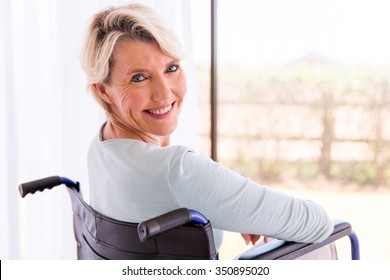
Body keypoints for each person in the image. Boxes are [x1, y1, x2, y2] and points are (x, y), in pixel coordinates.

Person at [81, 3, 333, 250]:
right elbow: (318, 223)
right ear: (103, 90)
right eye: (139, 77)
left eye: (171, 68)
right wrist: (246, 210)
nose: (164, 92)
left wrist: (233, 209)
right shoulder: (178, 171)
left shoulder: (101, 145)